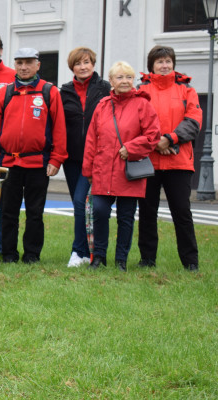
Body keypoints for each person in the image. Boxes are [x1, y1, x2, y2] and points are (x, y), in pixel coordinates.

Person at [0, 48, 67, 264]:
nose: (23, 67)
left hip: (38, 163)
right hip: (8, 163)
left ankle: (32, 255)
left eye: (28, 62)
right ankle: (9, 254)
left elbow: (59, 128)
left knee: (34, 213)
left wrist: (56, 159)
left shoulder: (49, 92)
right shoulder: (6, 92)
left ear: (37, 65)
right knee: (8, 212)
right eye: (19, 62)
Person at [83, 61, 160, 271]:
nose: (124, 81)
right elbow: (92, 139)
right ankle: (98, 257)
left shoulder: (142, 104)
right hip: (102, 169)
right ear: (111, 81)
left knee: (126, 218)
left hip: (129, 171)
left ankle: (121, 261)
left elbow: (153, 135)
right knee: (99, 212)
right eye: (120, 77)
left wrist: (131, 147)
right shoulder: (102, 105)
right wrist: (88, 170)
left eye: (128, 77)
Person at [137, 46, 201, 271]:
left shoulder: (187, 90)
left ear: (173, 63)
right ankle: (147, 259)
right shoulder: (141, 90)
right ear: (151, 66)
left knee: (182, 213)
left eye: (168, 61)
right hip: (149, 161)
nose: (164, 66)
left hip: (179, 162)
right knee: (146, 212)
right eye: (159, 62)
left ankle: (190, 261)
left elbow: (193, 121)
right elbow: (137, 122)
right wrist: (157, 143)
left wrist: (171, 139)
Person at [59, 47, 111, 267]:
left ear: (93, 64)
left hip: (97, 157)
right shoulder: (64, 92)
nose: (83, 67)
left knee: (84, 203)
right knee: (79, 204)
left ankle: (78, 251)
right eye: (78, 63)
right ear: (72, 67)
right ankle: (89, 252)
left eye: (87, 62)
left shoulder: (105, 89)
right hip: (72, 159)